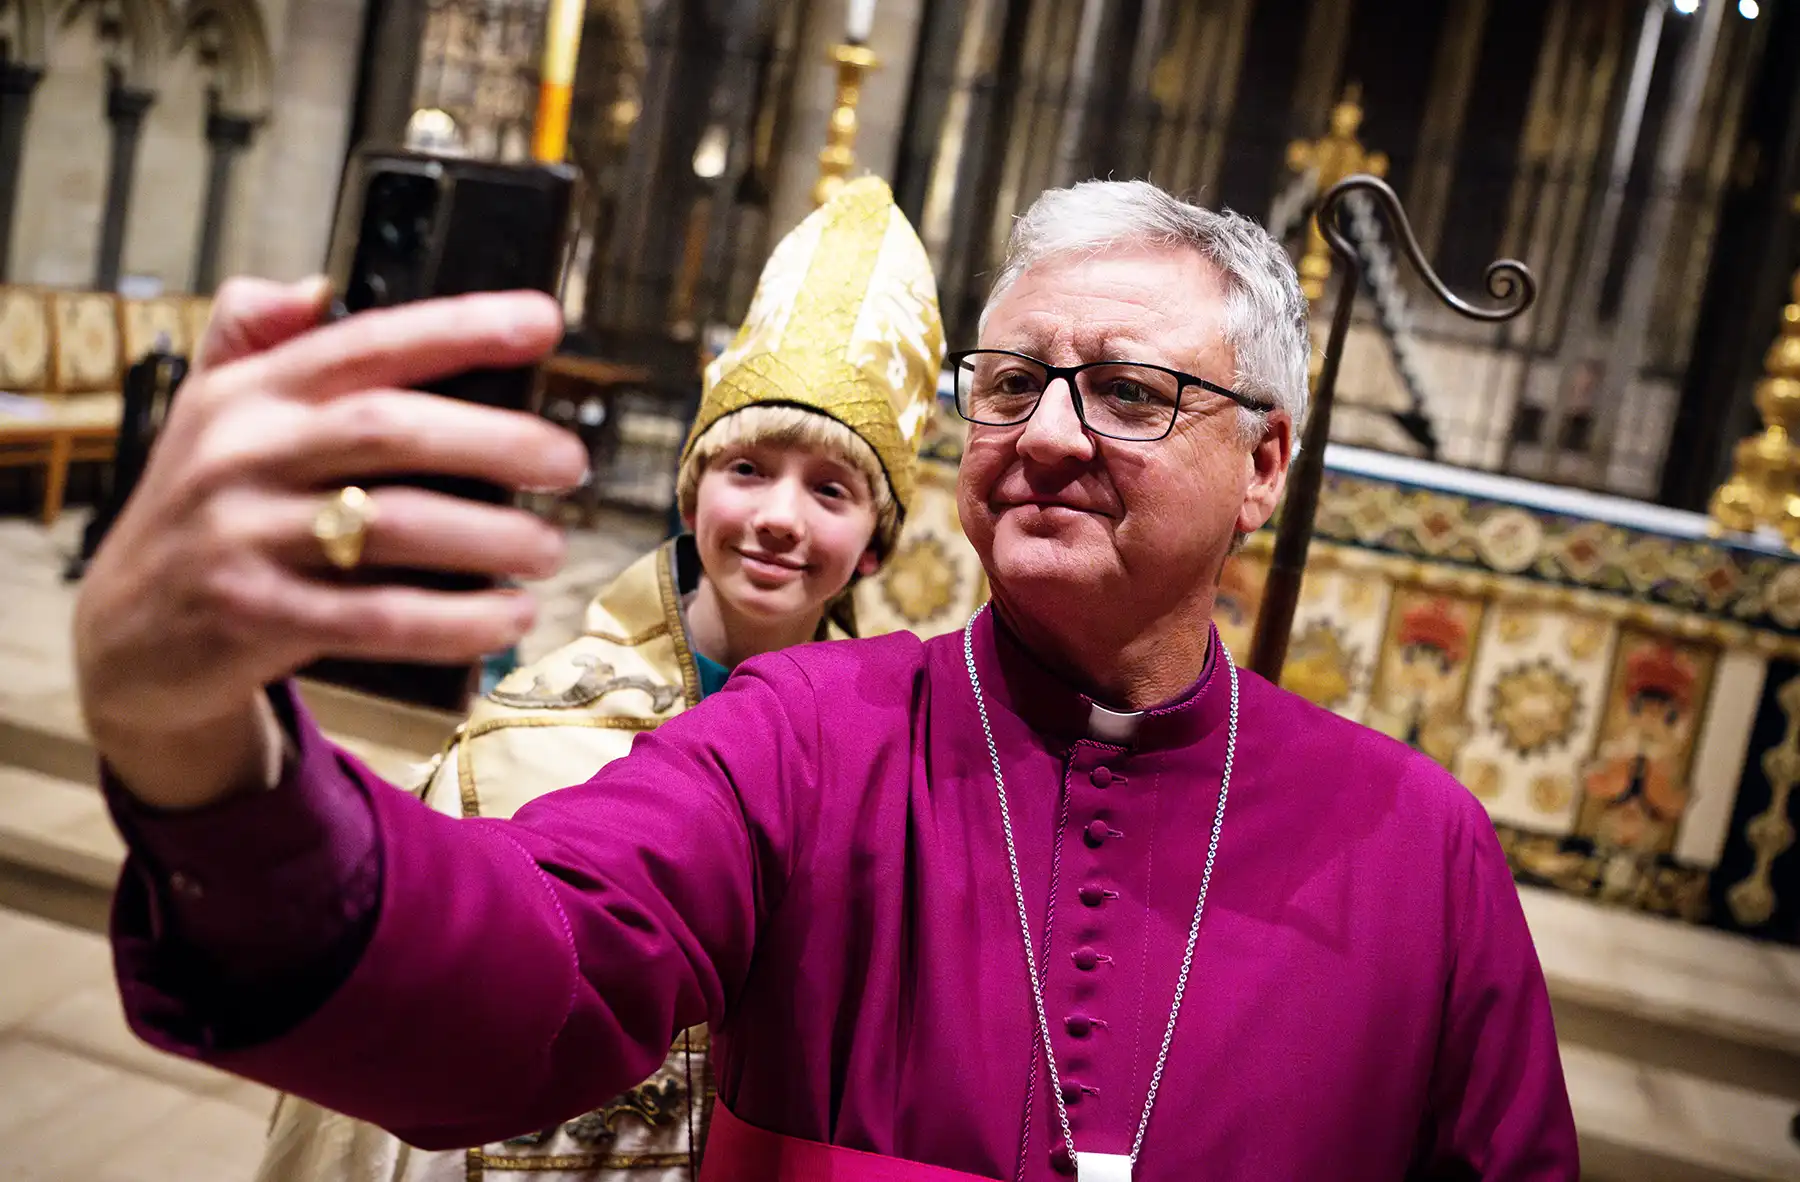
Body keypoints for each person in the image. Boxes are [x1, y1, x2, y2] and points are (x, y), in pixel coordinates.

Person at [79, 179, 1578, 1181]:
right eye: (1008, 384)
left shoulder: (1422, 850)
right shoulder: (806, 737)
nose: (1048, 432)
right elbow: (531, 970)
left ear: (1263, 466)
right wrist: (206, 754)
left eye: (1128, 391)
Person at [252, 177, 945, 1182]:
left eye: (831, 489)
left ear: (876, 546)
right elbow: (389, 1105)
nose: (780, 518)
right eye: (747, 468)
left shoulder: (895, 773)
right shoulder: (519, 748)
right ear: (694, 488)